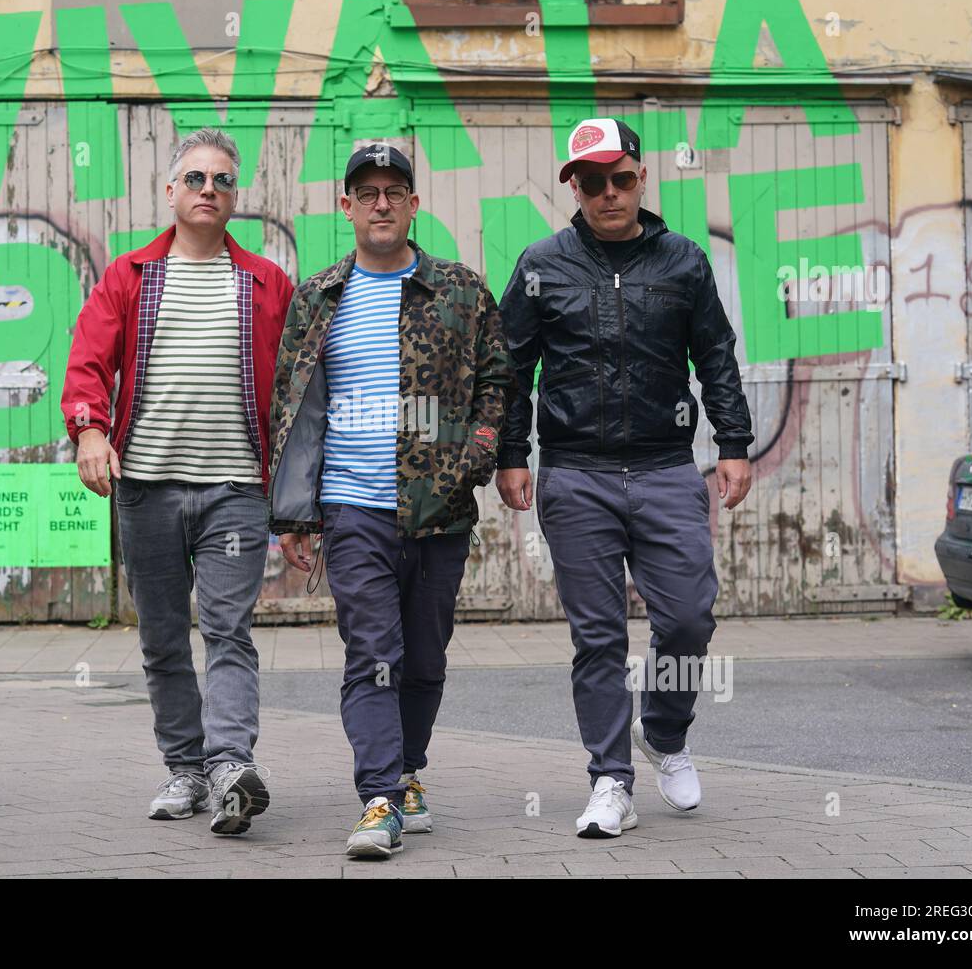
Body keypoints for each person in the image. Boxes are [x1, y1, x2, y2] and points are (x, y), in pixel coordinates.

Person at [495, 118, 755, 838]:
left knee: (687, 617)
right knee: (599, 636)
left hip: (668, 468)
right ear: (574, 188)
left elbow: (717, 355)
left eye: (620, 178)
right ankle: (611, 779)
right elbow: (512, 370)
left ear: (642, 178)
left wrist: (733, 442)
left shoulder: (683, 262)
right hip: (576, 473)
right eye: (591, 182)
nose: (607, 193)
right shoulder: (541, 264)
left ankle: (665, 734)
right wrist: (511, 454)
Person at [268, 144, 512, 858]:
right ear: (345, 206)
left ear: (413, 204)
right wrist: (294, 513)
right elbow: (294, 404)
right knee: (373, 650)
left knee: (425, 657)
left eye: (394, 190)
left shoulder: (462, 291)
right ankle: (378, 797)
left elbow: (499, 382)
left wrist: (475, 455)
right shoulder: (318, 297)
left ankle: (407, 774)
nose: (380, 202)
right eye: (366, 191)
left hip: (439, 510)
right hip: (354, 509)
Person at [61, 127, 294, 835]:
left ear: (235, 196)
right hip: (148, 489)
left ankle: (229, 767)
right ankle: (184, 769)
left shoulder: (265, 281)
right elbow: (87, 363)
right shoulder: (128, 276)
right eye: (195, 179)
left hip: (235, 490)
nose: (208, 190)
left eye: (222, 180)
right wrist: (90, 429)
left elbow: (299, 387)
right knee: (163, 637)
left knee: (227, 628)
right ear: (171, 191)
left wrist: (303, 500)